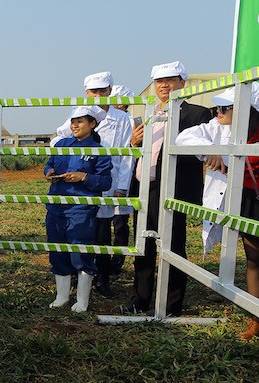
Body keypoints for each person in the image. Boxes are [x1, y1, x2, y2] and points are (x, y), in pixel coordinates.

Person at [123, 61, 211, 316]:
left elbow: (197, 152)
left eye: (170, 80)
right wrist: (134, 142)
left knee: (173, 245)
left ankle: (172, 305)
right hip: (144, 187)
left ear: (182, 83)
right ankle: (140, 300)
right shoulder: (149, 113)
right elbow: (140, 152)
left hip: (173, 188)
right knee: (144, 243)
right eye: (159, 81)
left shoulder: (196, 114)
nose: (164, 85)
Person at [176, 83, 259, 338]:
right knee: (255, 259)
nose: (218, 112)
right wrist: (209, 149)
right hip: (248, 198)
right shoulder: (218, 128)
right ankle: (256, 318)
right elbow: (183, 137)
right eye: (218, 106)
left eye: (225, 107)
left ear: (249, 110)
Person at [50, 72, 133, 298]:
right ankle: (76, 280)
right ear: (86, 93)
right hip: (80, 185)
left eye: (102, 91)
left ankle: (102, 280)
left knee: (102, 234)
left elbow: (126, 155)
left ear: (110, 91)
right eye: (93, 91)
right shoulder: (78, 115)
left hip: (108, 178)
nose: (98, 95)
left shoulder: (123, 118)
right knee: (78, 233)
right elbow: (58, 138)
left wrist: (122, 187)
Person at [46, 106, 113, 312]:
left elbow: (105, 182)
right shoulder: (62, 144)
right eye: (73, 121)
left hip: (82, 207)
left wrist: (84, 177)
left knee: (80, 250)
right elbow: (49, 164)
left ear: (92, 124)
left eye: (80, 121)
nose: (74, 125)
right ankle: (62, 296)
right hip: (57, 204)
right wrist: (49, 171)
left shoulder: (99, 151)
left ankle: (82, 300)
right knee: (57, 248)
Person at [109, 84, 136, 275]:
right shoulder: (100, 119)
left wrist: (123, 185)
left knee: (119, 224)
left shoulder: (132, 121)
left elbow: (130, 155)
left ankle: (116, 263)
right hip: (103, 178)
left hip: (124, 178)